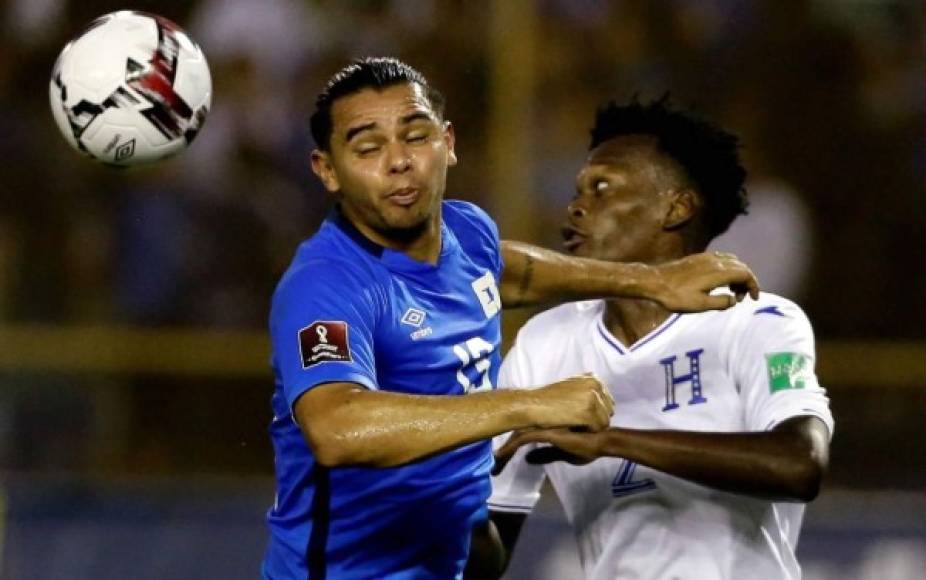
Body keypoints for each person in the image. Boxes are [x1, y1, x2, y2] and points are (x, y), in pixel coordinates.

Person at [262, 59, 759, 580]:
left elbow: (507, 273)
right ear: (327, 170)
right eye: (368, 147)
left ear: (448, 142)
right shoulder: (324, 286)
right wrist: (529, 405)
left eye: (415, 136)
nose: (399, 161)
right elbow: (337, 427)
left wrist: (650, 281)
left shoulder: (466, 231)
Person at [472, 98, 833, 580]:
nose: (577, 206)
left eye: (602, 188)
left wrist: (613, 441)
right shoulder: (546, 343)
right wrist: (444, 483)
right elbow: (486, 555)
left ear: (676, 208)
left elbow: (800, 464)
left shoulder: (758, 320)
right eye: (578, 190)